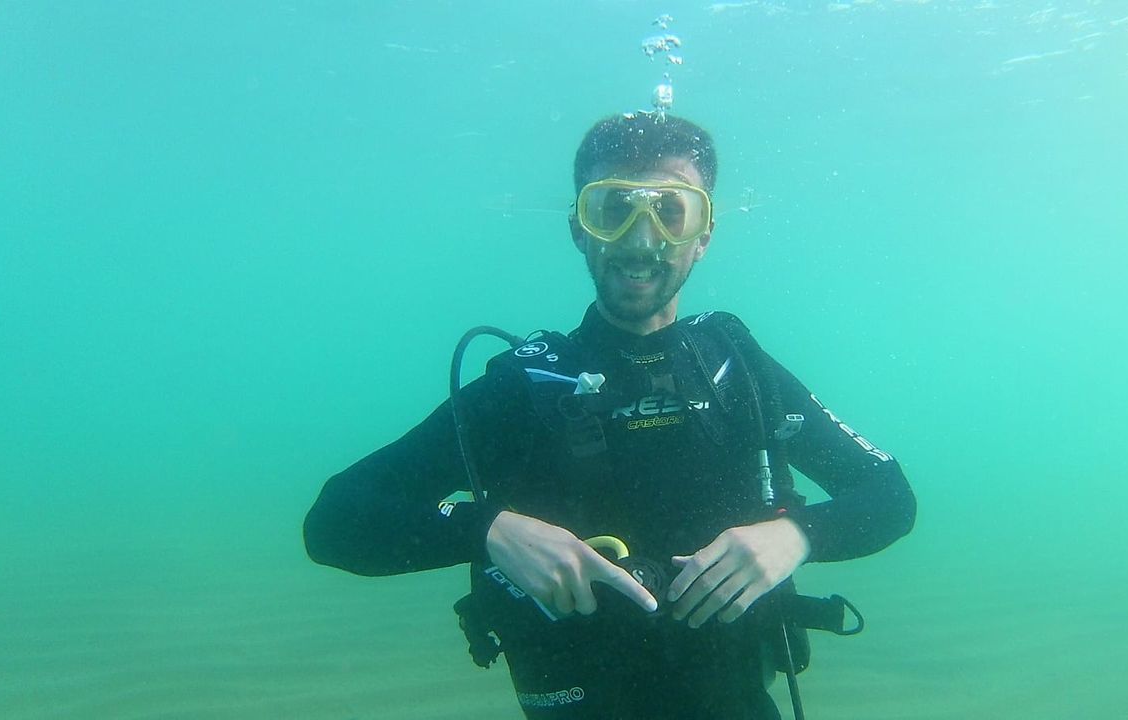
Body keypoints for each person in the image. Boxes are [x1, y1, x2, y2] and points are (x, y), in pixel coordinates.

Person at [303, 113, 916, 720]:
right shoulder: (526, 386)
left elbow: (888, 493)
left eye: (670, 211)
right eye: (612, 208)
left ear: (703, 235)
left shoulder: (737, 371)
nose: (641, 238)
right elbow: (334, 519)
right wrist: (486, 528)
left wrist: (796, 535)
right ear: (579, 229)